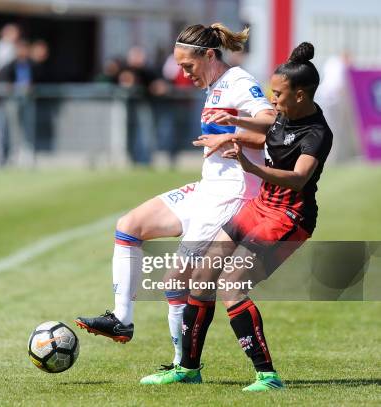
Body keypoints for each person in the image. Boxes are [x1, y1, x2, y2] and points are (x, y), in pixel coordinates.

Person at [75, 23, 275, 366]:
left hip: (233, 194)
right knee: (130, 225)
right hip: (208, 188)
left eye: (188, 67)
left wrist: (230, 138)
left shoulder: (239, 82)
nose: (184, 74)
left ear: (209, 55)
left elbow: (269, 121)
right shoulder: (214, 85)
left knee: (176, 277)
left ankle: (183, 366)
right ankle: (122, 320)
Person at [147, 42, 332, 391]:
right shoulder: (285, 114)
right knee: (202, 274)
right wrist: (232, 126)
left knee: (231, 285)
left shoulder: (316, 134)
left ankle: (267, 376)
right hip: (261, 206)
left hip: (289, 218)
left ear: (301, 95)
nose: (271, 100)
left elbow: (299, 178)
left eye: (278, 94)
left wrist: (247, 165)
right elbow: (264, 132)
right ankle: (187, 369)